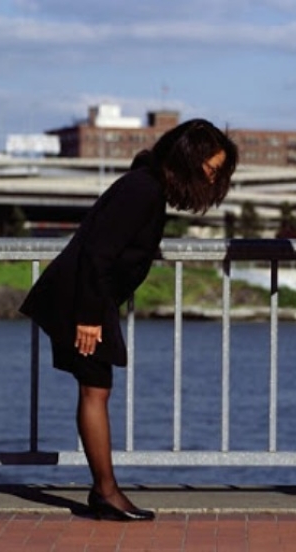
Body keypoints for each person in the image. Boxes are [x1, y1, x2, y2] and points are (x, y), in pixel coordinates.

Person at [20, 119, 238, 521]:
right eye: (211, 167)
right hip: (83, 300)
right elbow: (97, 253)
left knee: (95, 389)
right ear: (189, 157)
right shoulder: (143, 189)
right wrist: (88, 317)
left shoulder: (147, 184)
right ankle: (105, 492)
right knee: (95, 391)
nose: (213, 176)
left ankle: (105, 490)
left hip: (89, 297)